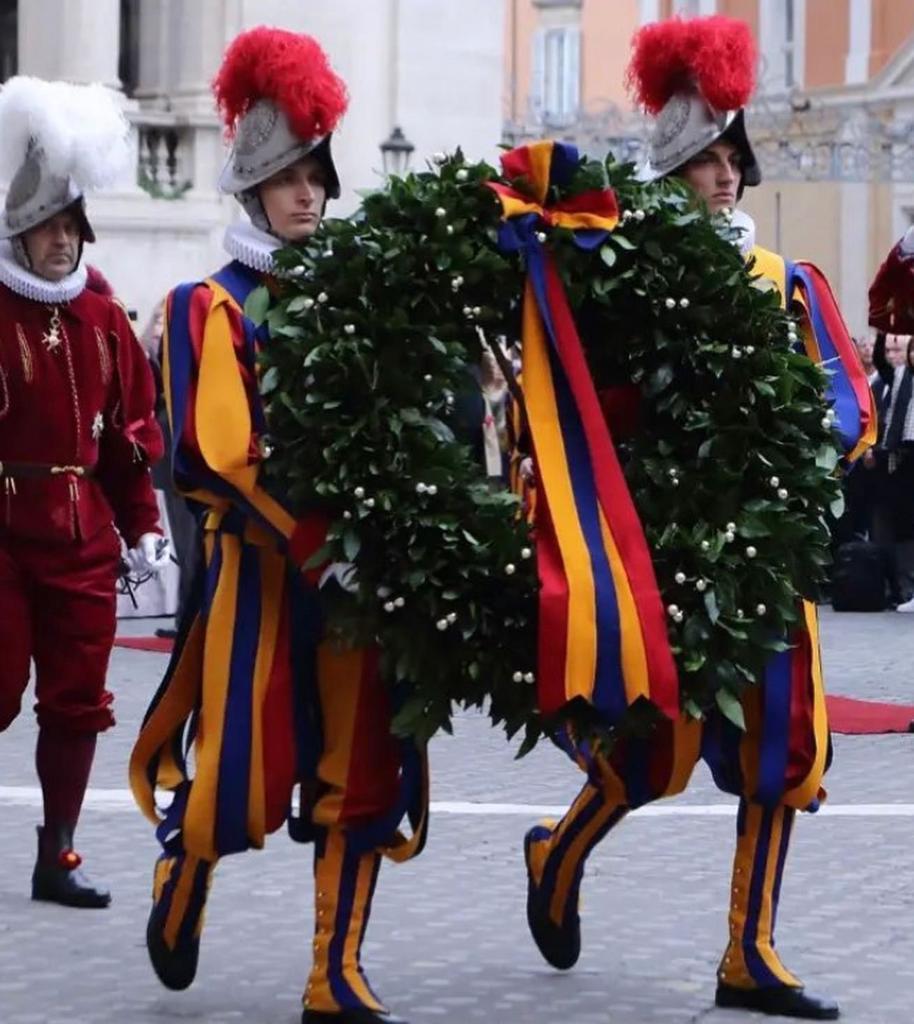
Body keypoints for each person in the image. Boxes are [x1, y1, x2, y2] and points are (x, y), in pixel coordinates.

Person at [521, 17, 873, 1021]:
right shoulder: (628, 287)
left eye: (732, 159)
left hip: (767, 556)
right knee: (647, 755)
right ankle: (556, 853)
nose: (724, 177)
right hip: (666, 558)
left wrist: (797, 444)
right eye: (705, 161)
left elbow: (847, 400)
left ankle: (747, 951)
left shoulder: (782, 284)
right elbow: (597, 411)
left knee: (783, 748)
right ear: (674, 174)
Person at [129, 28, 425, 1024]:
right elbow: (217, 454)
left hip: (354, 585)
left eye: (317, 176)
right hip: (259, 577)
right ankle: (186, 871)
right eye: (289, 177)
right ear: (254, 187)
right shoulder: (205, 306)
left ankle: (330, 972)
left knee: (361, 769)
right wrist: (314, 546)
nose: (308, 194)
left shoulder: (357, 297)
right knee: (241, 789)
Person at [0, 77, 167, 908]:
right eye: (45, 229)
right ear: (19, 235)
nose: (60, 243)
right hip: (1, 538)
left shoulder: (105, 321)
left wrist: (144, 528)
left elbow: (131, 438)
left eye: (70, 228)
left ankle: (56, 855)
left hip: (84, 545)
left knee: (77, 703)